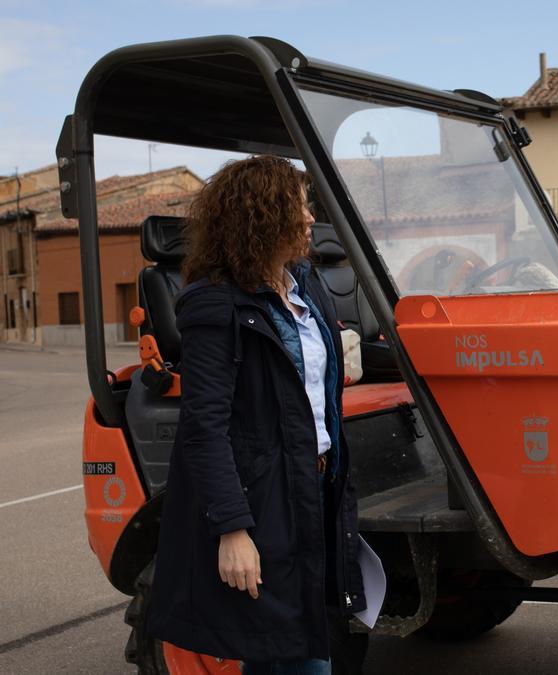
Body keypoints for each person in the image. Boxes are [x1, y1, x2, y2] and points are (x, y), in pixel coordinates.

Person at [148, 155, 366, 674]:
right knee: (297, 652)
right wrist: (233, 529)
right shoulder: (214, 306)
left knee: (294, 643)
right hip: (263, 496)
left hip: (316, 485)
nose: (311, 218)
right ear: (263, 214)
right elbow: (203, 429)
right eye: (299, 205)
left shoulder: (308, 289)